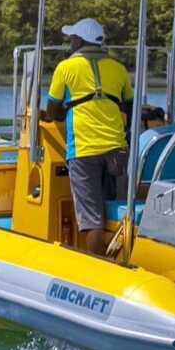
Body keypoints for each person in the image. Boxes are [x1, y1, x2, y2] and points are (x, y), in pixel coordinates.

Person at [40, 16, 133, 257]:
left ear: (79, 41)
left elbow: (52, 111)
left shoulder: (66, 67)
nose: (70, 42)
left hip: (83, 152)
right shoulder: (118, 68)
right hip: (118, 151)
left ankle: (98, 270)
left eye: (72, 38)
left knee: (92, 221)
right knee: (115, 211)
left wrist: (66, 110)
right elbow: (129, 108)